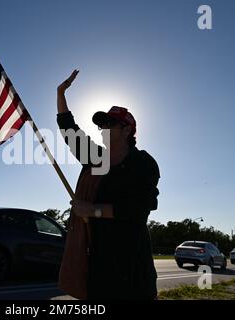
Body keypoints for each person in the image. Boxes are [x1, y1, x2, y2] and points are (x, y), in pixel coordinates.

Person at [56, 70, 160, 300]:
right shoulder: (96, 158)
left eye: (110, 124)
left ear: (127, 130)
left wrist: (93, 210)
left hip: (132, 269)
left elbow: (140, 208)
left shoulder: (142, 163)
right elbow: (69, 130)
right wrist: (60, 93)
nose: (103, 129)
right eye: (101, 125)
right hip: (98, 264)